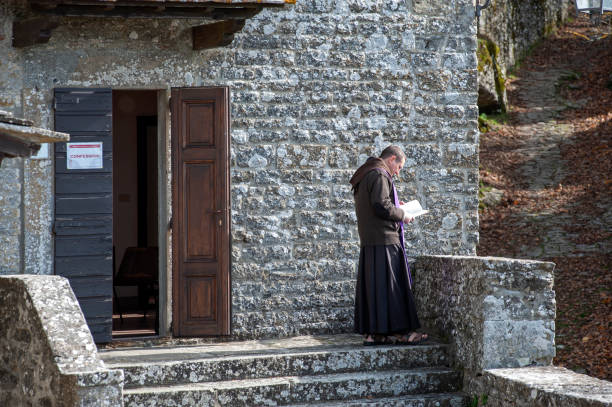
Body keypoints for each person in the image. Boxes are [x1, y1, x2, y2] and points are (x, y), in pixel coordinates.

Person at [349, 145, 427, 345]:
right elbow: (381, 205)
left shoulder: (366, 173)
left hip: (371, 240)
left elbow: (377, 203)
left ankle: (374, 333)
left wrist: (396, 207)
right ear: (392, 159)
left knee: (376, 289)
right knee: (392, 288)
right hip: (384, 239)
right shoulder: (380, 174)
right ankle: (403, 332)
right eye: (399, 166)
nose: (398, 172)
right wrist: (403, 214)